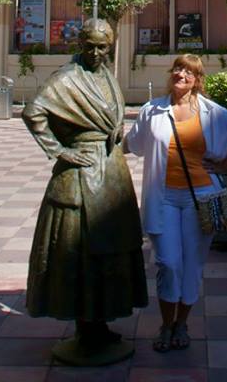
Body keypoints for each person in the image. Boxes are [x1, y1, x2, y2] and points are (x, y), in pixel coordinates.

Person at [23, 19, 147, 365]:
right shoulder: (67, 77)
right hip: (82, 174)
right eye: (89, 46)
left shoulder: (106, 74)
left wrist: (116, 129)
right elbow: (33, 113)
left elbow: (110, 113)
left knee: (111, 250)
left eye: (102, 47)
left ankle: (100, 322)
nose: (95, 53)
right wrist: (60, 151)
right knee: (81, 252)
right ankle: (86, 328)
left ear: (110, 46)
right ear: (80, 44)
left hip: (110, 170)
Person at [123, 53, 227, 353]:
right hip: (164, 198)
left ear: (197, 80)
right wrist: (104, 147)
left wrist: (223, 166)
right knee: (168, 264)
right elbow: (132, 144)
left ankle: (181, 324)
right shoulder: (152, 110)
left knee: (192, 265)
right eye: (178, 69)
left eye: (189, 72)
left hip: (201, 199)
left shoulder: (212, 112)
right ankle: (166, 324)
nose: (181, 74)